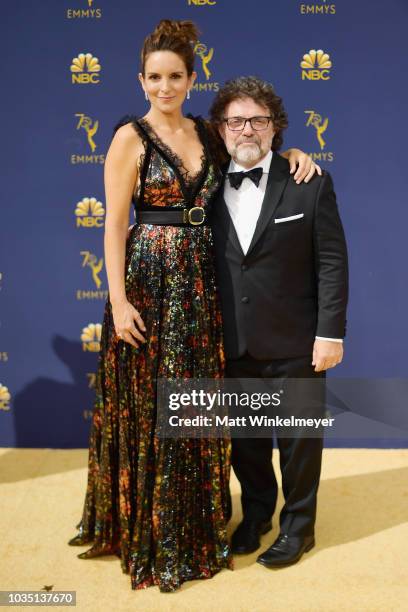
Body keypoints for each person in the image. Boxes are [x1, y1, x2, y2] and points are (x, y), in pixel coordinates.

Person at [68, 21, 320, 592]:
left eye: (175, 76)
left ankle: (194, 523)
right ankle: (152, 528)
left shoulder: (210, 132)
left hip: (202, 286)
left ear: (190, 78)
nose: (164, 86)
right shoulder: (128, 137)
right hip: (147, 284)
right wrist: (118, 299)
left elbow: (255, 151)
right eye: (154, 77)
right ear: (141, 80)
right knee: (153, 410)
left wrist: (295, 151)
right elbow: (112, 226)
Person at [209, 76, 348, 568]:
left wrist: (329, 333)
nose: (247, 130)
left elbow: (331, 261)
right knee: (245, 447)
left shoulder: (309, 180)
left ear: (275, 128)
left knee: (299, 446)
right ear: (221, 129)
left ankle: (299, 529)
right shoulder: (205, 185)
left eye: (258, 120)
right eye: (236, 120)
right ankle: (257, 517)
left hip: (296, 342)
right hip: (232, 342)